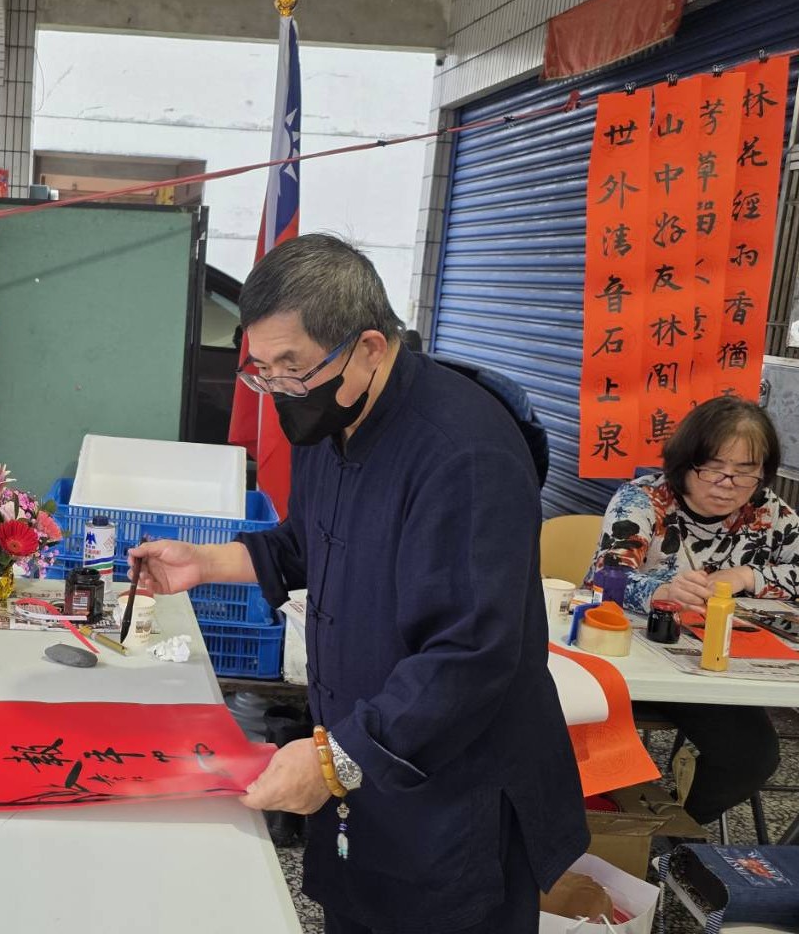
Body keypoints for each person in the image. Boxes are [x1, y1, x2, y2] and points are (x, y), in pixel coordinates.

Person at [131, 234, 587, 934]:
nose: (280, 390)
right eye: (262, 370)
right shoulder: (334, 417)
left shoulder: (464, 453)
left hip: (456, 791)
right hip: (363, 755)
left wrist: (331, 760)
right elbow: (310, 541)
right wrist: (207, 562)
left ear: (370, 346)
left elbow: (469, 655)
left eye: (293, 368)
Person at [588, 396, 787, 825]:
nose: (727, 484)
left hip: (714, 673)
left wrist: (747, 576)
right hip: (632, 664)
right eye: (713, 468)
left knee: (752, 756)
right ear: (685, 462)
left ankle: (673, 831)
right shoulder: (644, 500)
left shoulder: (767, 512)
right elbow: (605, 578)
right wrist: (664, 589)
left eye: (746, 471)